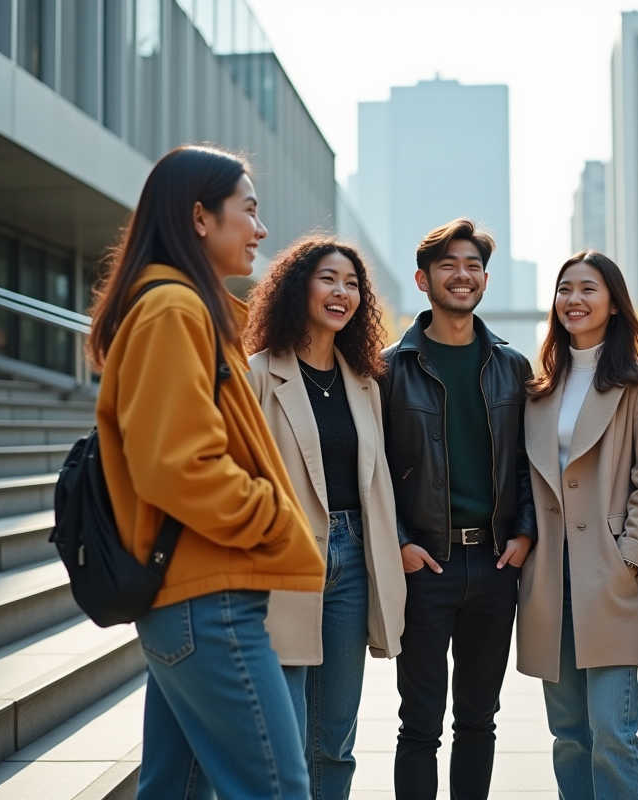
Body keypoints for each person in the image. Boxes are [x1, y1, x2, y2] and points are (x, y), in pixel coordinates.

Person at [89, 145, 323, 799]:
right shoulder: (173, 311)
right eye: (248, 210)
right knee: (275, 788)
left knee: (173, 789)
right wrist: (277, 516)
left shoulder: (185, 309)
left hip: (190, 594)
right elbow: (176, 465)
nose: (261, 229)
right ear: (199, 218)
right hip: (206, 597)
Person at [379, 218, 537, 800]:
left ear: (486, 280)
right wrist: (399, 543)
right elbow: (372, 470)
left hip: (496, 567)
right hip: (427, 567)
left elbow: (529, 462)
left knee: (479, 720)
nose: (461, 276)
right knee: (418, 725)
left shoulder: (511, 366)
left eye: (471, 266)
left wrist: (523, 534)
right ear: (423, 281)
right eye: (448, 265)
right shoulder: (390, 368)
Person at [245, 236, 406, 799]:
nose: (342, 293)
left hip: (352, 561)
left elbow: (378, 479)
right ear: (298, 287)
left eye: (352, 284)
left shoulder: (365, 381)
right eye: (328, 280)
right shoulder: (259, 374)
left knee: (335, 737)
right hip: (284, 560)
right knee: (284, 734)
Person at [518, 251, 638, 800]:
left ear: (612, 303)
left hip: (609, 573)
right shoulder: (538, 387)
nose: (574, 300)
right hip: (547, 579)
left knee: (614, 732)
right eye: (565, 289)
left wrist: (633, 557)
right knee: (568, 735)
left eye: (587, 289)